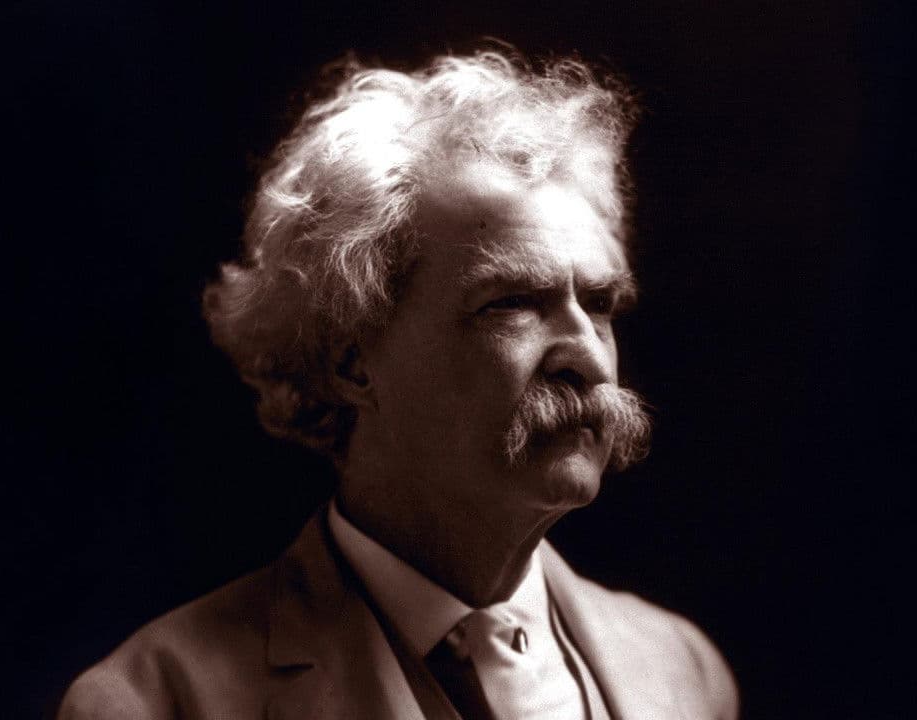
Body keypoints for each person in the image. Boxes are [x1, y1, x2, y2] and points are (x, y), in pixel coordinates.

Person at [59, 47, 738, 720]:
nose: (587, 357)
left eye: (599, 304)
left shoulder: (683, 671)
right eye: (510, 304)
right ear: (352, 360)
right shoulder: (155, 703)